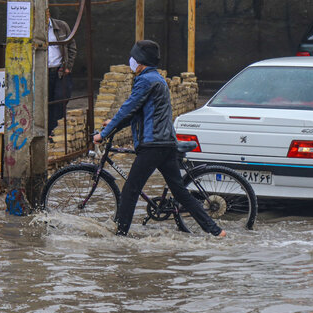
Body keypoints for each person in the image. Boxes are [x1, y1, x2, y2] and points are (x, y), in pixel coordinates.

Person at [93, 40, 226, 238]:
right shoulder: (156, 79)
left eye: (134, 58)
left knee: (130, 190)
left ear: (140, 62)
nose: (131, 62)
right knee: (180, 192)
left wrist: (103, 135)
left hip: (153, 145)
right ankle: (216, 231)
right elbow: (135, 114)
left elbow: (128, 108)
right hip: (166, 144)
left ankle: (119, 237)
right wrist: (112, 125)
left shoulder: (145, 81)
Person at [47, 8, 76, 140]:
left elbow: (72, 47)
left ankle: (56, 131)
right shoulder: (33, 30)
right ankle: (47, 133)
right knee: (46, 102)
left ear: (48, 12)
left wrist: (68, 66)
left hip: (60, 70)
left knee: (60, 99)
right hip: (44, 72)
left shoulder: (62, 26)